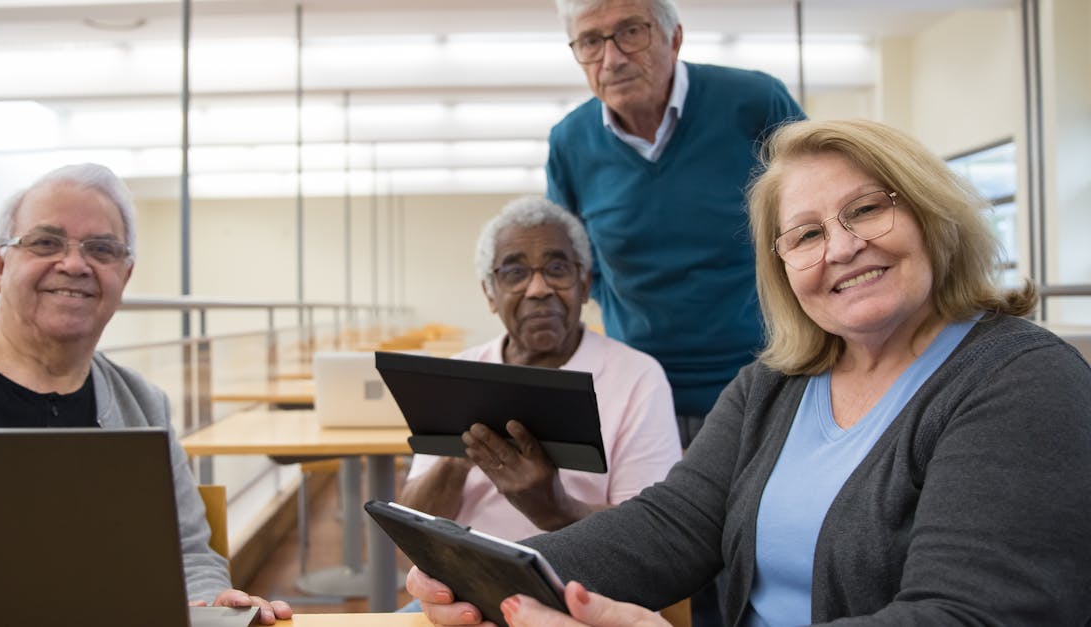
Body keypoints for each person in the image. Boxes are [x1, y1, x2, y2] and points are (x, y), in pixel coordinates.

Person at [405, 119, 1091, 627]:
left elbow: (965, 615)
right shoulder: (774, 384)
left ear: (932, 215)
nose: (844, 247)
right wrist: (489, 575)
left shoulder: (1021, 383)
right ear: (784, 267)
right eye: (807, 234)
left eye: (867, 208)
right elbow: (669, 525)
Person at [0, 163, 294, 625]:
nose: (75, 264)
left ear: (123, 277)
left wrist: (214, 599)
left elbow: (189, 556)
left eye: (101, 249)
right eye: (45, 242)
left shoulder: (144, 406)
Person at [546, 0, 805, 449]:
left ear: (675, 38)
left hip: (770, 378)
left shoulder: (755, 102)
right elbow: (575, 261)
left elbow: (819, 213)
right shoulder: (569, 142)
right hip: (641, 394)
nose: (612, 58)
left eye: (631, 32)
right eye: (590, 41)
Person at [398, 195, 682, 554]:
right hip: (464, 588)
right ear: (490, 293)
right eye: (515, 273)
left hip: (584, 593)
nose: (538, 289)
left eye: (557, 269)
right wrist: (459, 456)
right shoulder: (459, 374)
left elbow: (649, 536)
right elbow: (411, 534)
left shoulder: (638, 378)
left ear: (584, 284)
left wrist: (554, 507)